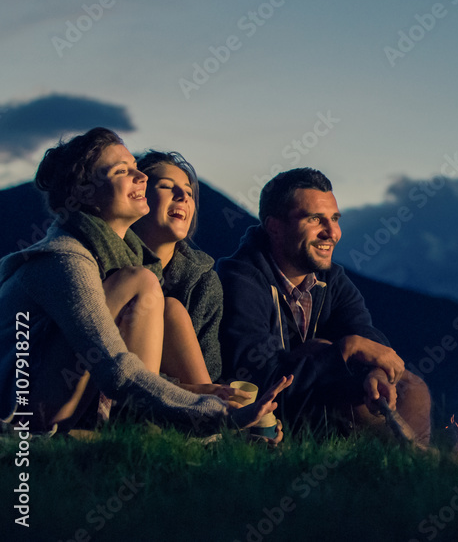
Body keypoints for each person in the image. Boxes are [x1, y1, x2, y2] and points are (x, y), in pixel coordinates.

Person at [0, 127, 290, 436]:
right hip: (23, 412)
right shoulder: (66, 258)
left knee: (165, 302)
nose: (140, 177)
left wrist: (205, 394)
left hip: (61, 398)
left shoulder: (123, 262)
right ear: (84, 191)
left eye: (137, 169)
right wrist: (218, 414)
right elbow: (116, 368)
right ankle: (146, 427)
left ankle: (171, 431)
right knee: (143, 283)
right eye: (123, 171)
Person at [217, 168, 430, 442]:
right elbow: (259, 376)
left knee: (411, 387)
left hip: (313, 396)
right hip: (268, 415)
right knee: (357, 393)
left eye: (334, 218)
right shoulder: (241, 280)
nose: (331, 232)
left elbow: (368, 335)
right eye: (315, 219)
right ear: (275, 227)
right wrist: (344, 350)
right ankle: (405, 467)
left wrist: (374, 370)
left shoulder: (331, 279)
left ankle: (412, 468)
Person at [131, 150, 224, 384]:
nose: (183, 196)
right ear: (137, 197)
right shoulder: (111, 266)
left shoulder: (204, 280)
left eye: (189, 192)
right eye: (165, 186)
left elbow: (208, 371)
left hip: (189, 402)